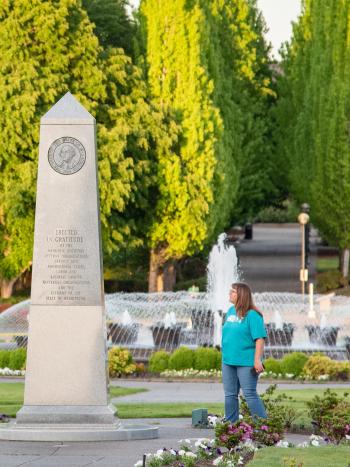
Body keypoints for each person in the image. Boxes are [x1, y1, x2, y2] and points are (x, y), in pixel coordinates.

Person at [221, 282, 267, 422]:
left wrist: (257, 360)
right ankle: (231, 427)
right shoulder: (230, 311)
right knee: (230, 395)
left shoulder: (253, 315)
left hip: (246, 362)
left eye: (233, 291)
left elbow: (260, 339)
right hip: (228, 361)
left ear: (241, 295)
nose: (230, 293)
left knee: (250, 394)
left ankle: (264, 428)